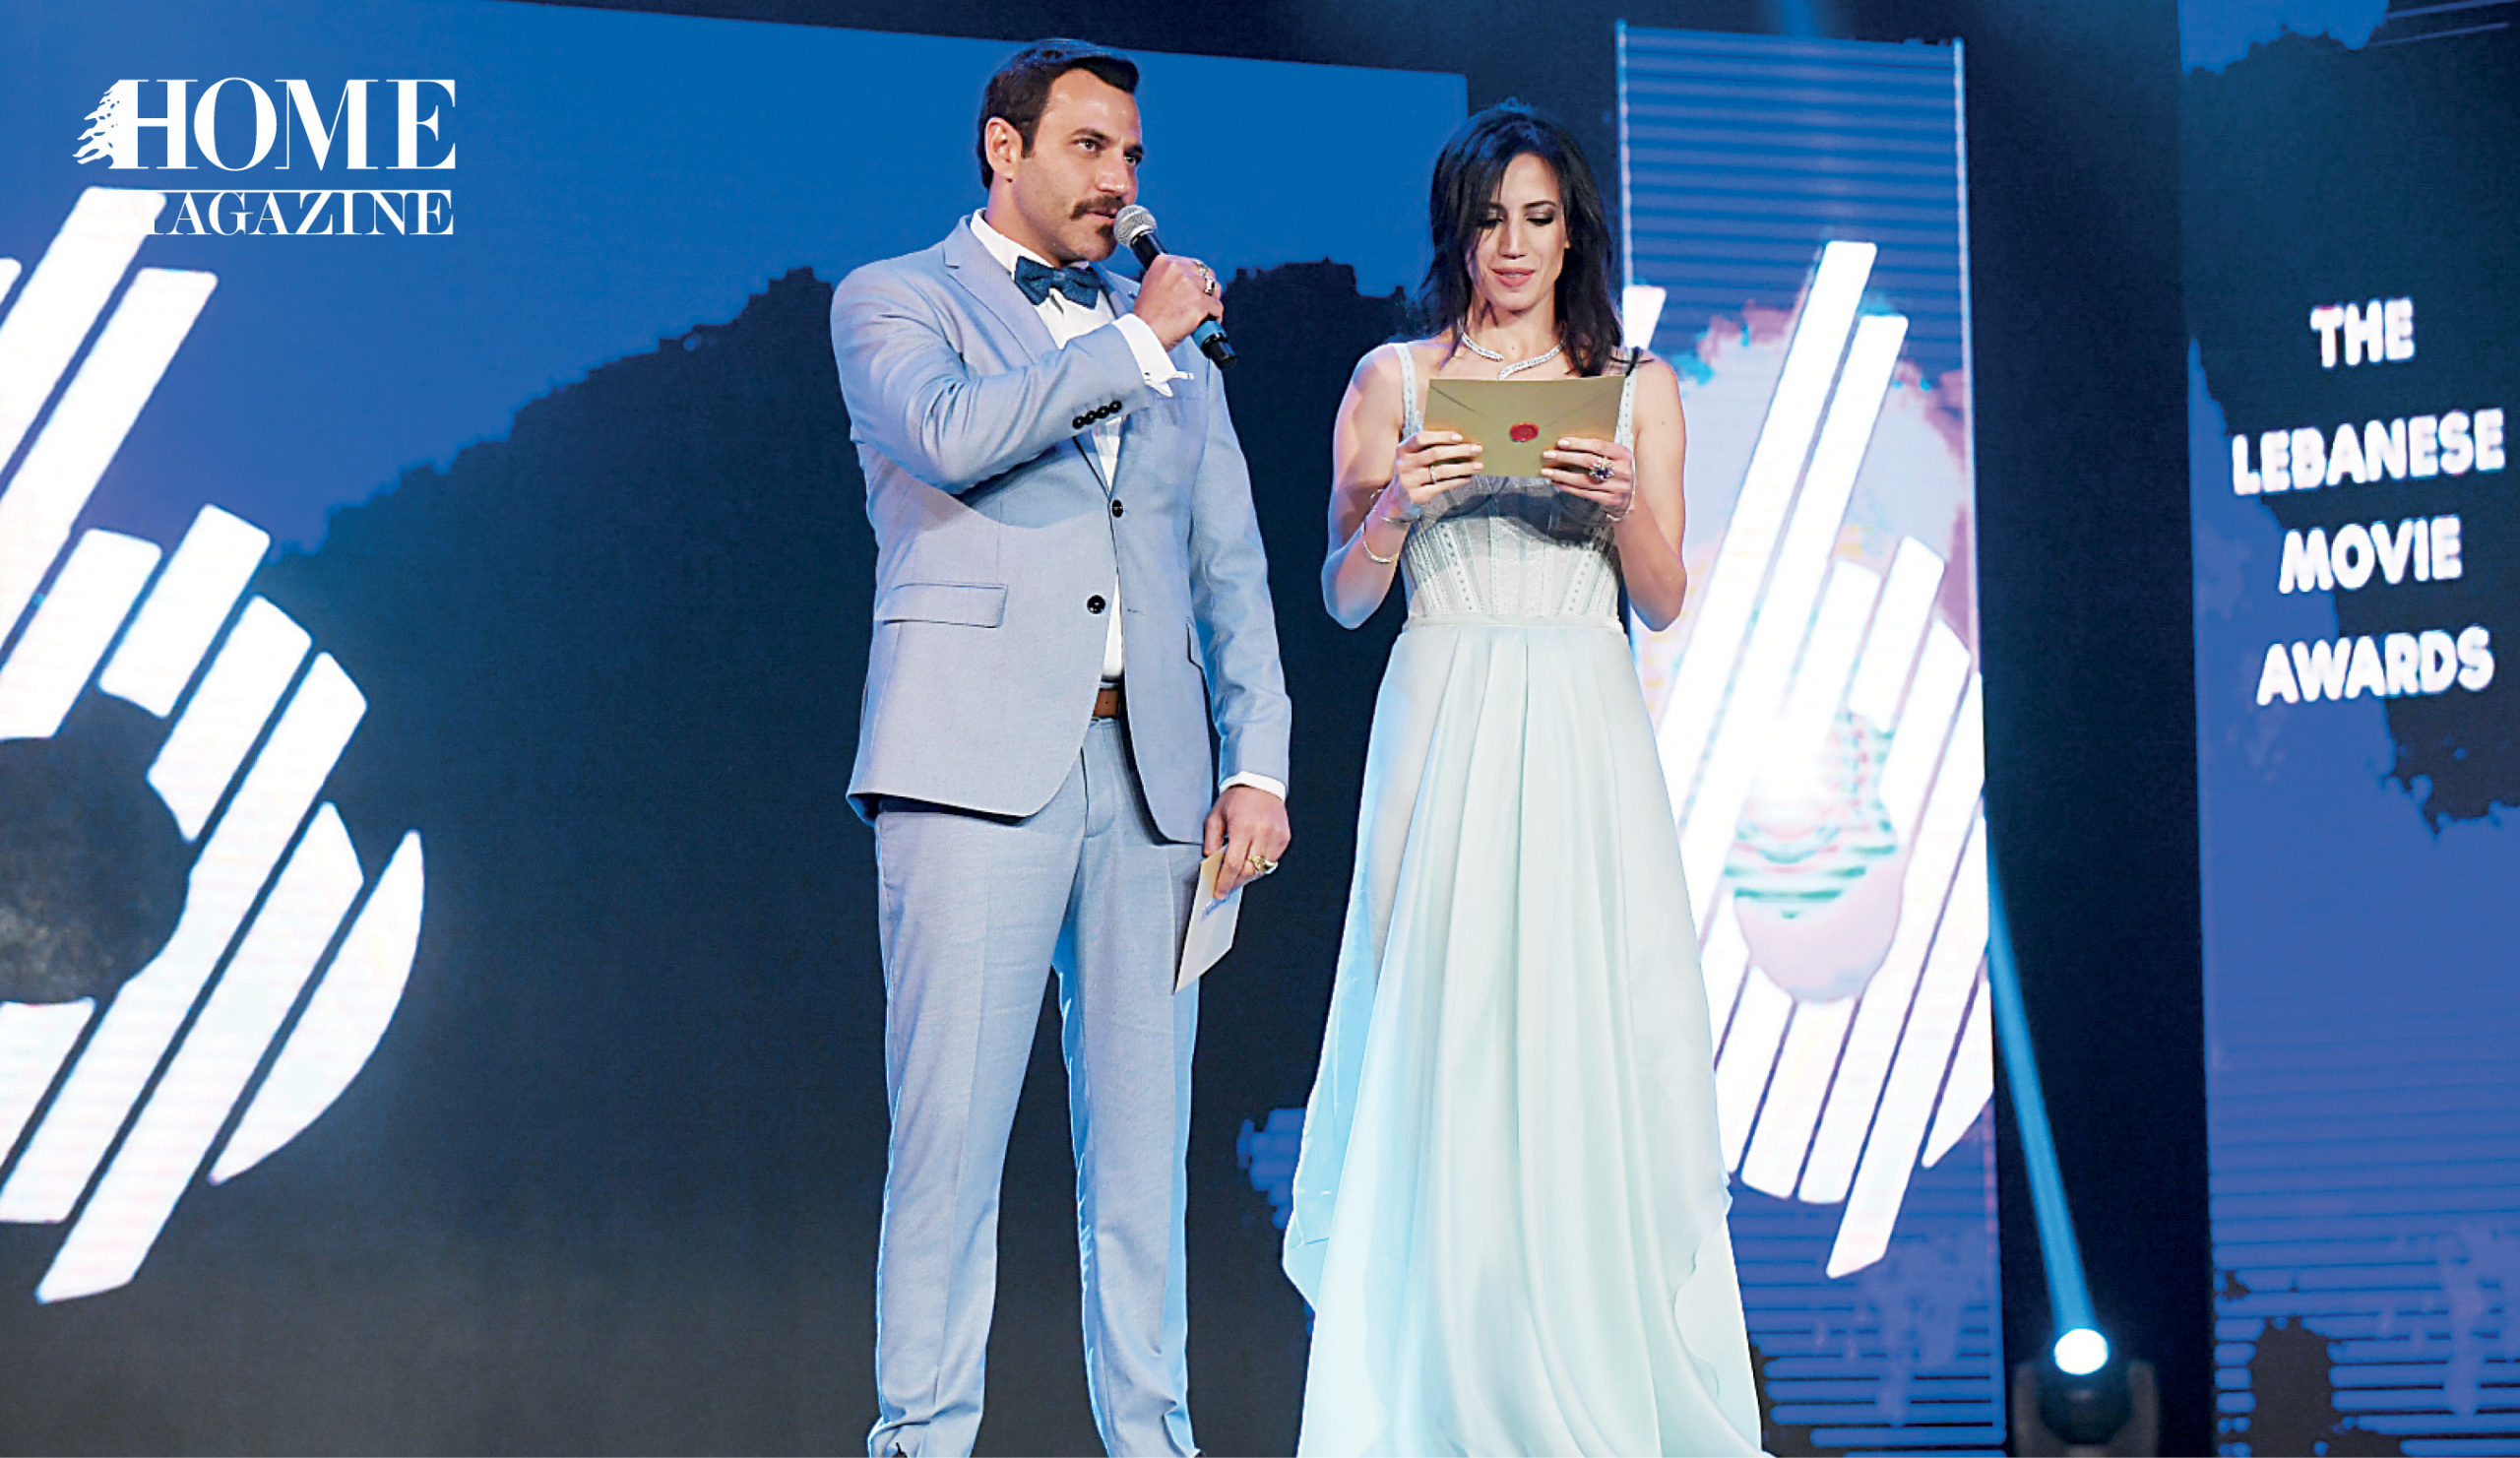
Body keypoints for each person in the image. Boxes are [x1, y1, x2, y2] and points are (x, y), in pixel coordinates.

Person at [828, 38, 1292, 1458]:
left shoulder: (1164, 338)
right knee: (951, 1143)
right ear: (1003, 149)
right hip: (969, 769)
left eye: (1134, 156)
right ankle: (921, 1435)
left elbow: (1228, 560)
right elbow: (953, 436)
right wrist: (1134, 343)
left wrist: (1255, 756)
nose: (1119, 180)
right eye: (1090, 148)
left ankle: (1156, 1439)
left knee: (1145, 1160)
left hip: (1147, 776)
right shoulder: (895, 299)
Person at [1281, 101, 1764, 1456]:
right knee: (1446, 1027)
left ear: (1574, 231)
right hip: (1443, 706)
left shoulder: (1640, 384)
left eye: (1538, 217)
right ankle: (1436, 1391)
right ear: (1460, 226)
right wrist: (1399, 507)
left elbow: (1664, 599)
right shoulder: (1395, 377)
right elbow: (1341, 596)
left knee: (1581, 1030)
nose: (1513, 244)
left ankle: (1592, 1385)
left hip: (1578, 714)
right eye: (1491, 217)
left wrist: (1617, 507)